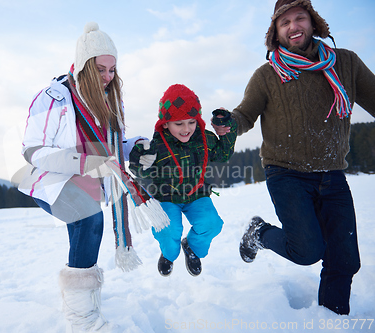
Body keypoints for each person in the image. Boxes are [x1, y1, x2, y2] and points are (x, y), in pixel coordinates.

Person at [215, 0, 375, 315]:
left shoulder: (345, 64)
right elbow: (245, 114)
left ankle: (332, 320)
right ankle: (259, 233)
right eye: (284, 22)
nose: (293, 26)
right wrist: (229, 123)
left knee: (345, 260)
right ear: (276, 32)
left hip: (331, 173)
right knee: (306, 250)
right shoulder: (267, 75)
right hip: (285, 173)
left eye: (299, 18)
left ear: (313, 22)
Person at [17, 22, 160, 331]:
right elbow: (33, 151)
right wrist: (84, 163)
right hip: (50, 180)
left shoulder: (111, 100)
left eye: (112, 69)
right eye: (100, 70)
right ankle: (82, 319)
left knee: (82, 237)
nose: (108, 77)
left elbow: (112, 147)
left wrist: (136, 147)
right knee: (89, 220)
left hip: (91, 182)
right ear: (83, 67)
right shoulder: (54, 97)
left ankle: (82, 301)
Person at [129, 84, 237, 277]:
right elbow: (142, 174)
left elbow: (222, 155)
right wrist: (140, 162)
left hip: (197, 195)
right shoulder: (156, 146)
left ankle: (193, 248)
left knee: (212, 224)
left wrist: (227, 132)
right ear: (165, 124)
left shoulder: (205, 139)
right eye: (179, 124)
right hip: (167, 197)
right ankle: (169, 254)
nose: (186, 129)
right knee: (168, 229)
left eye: (191, 122)